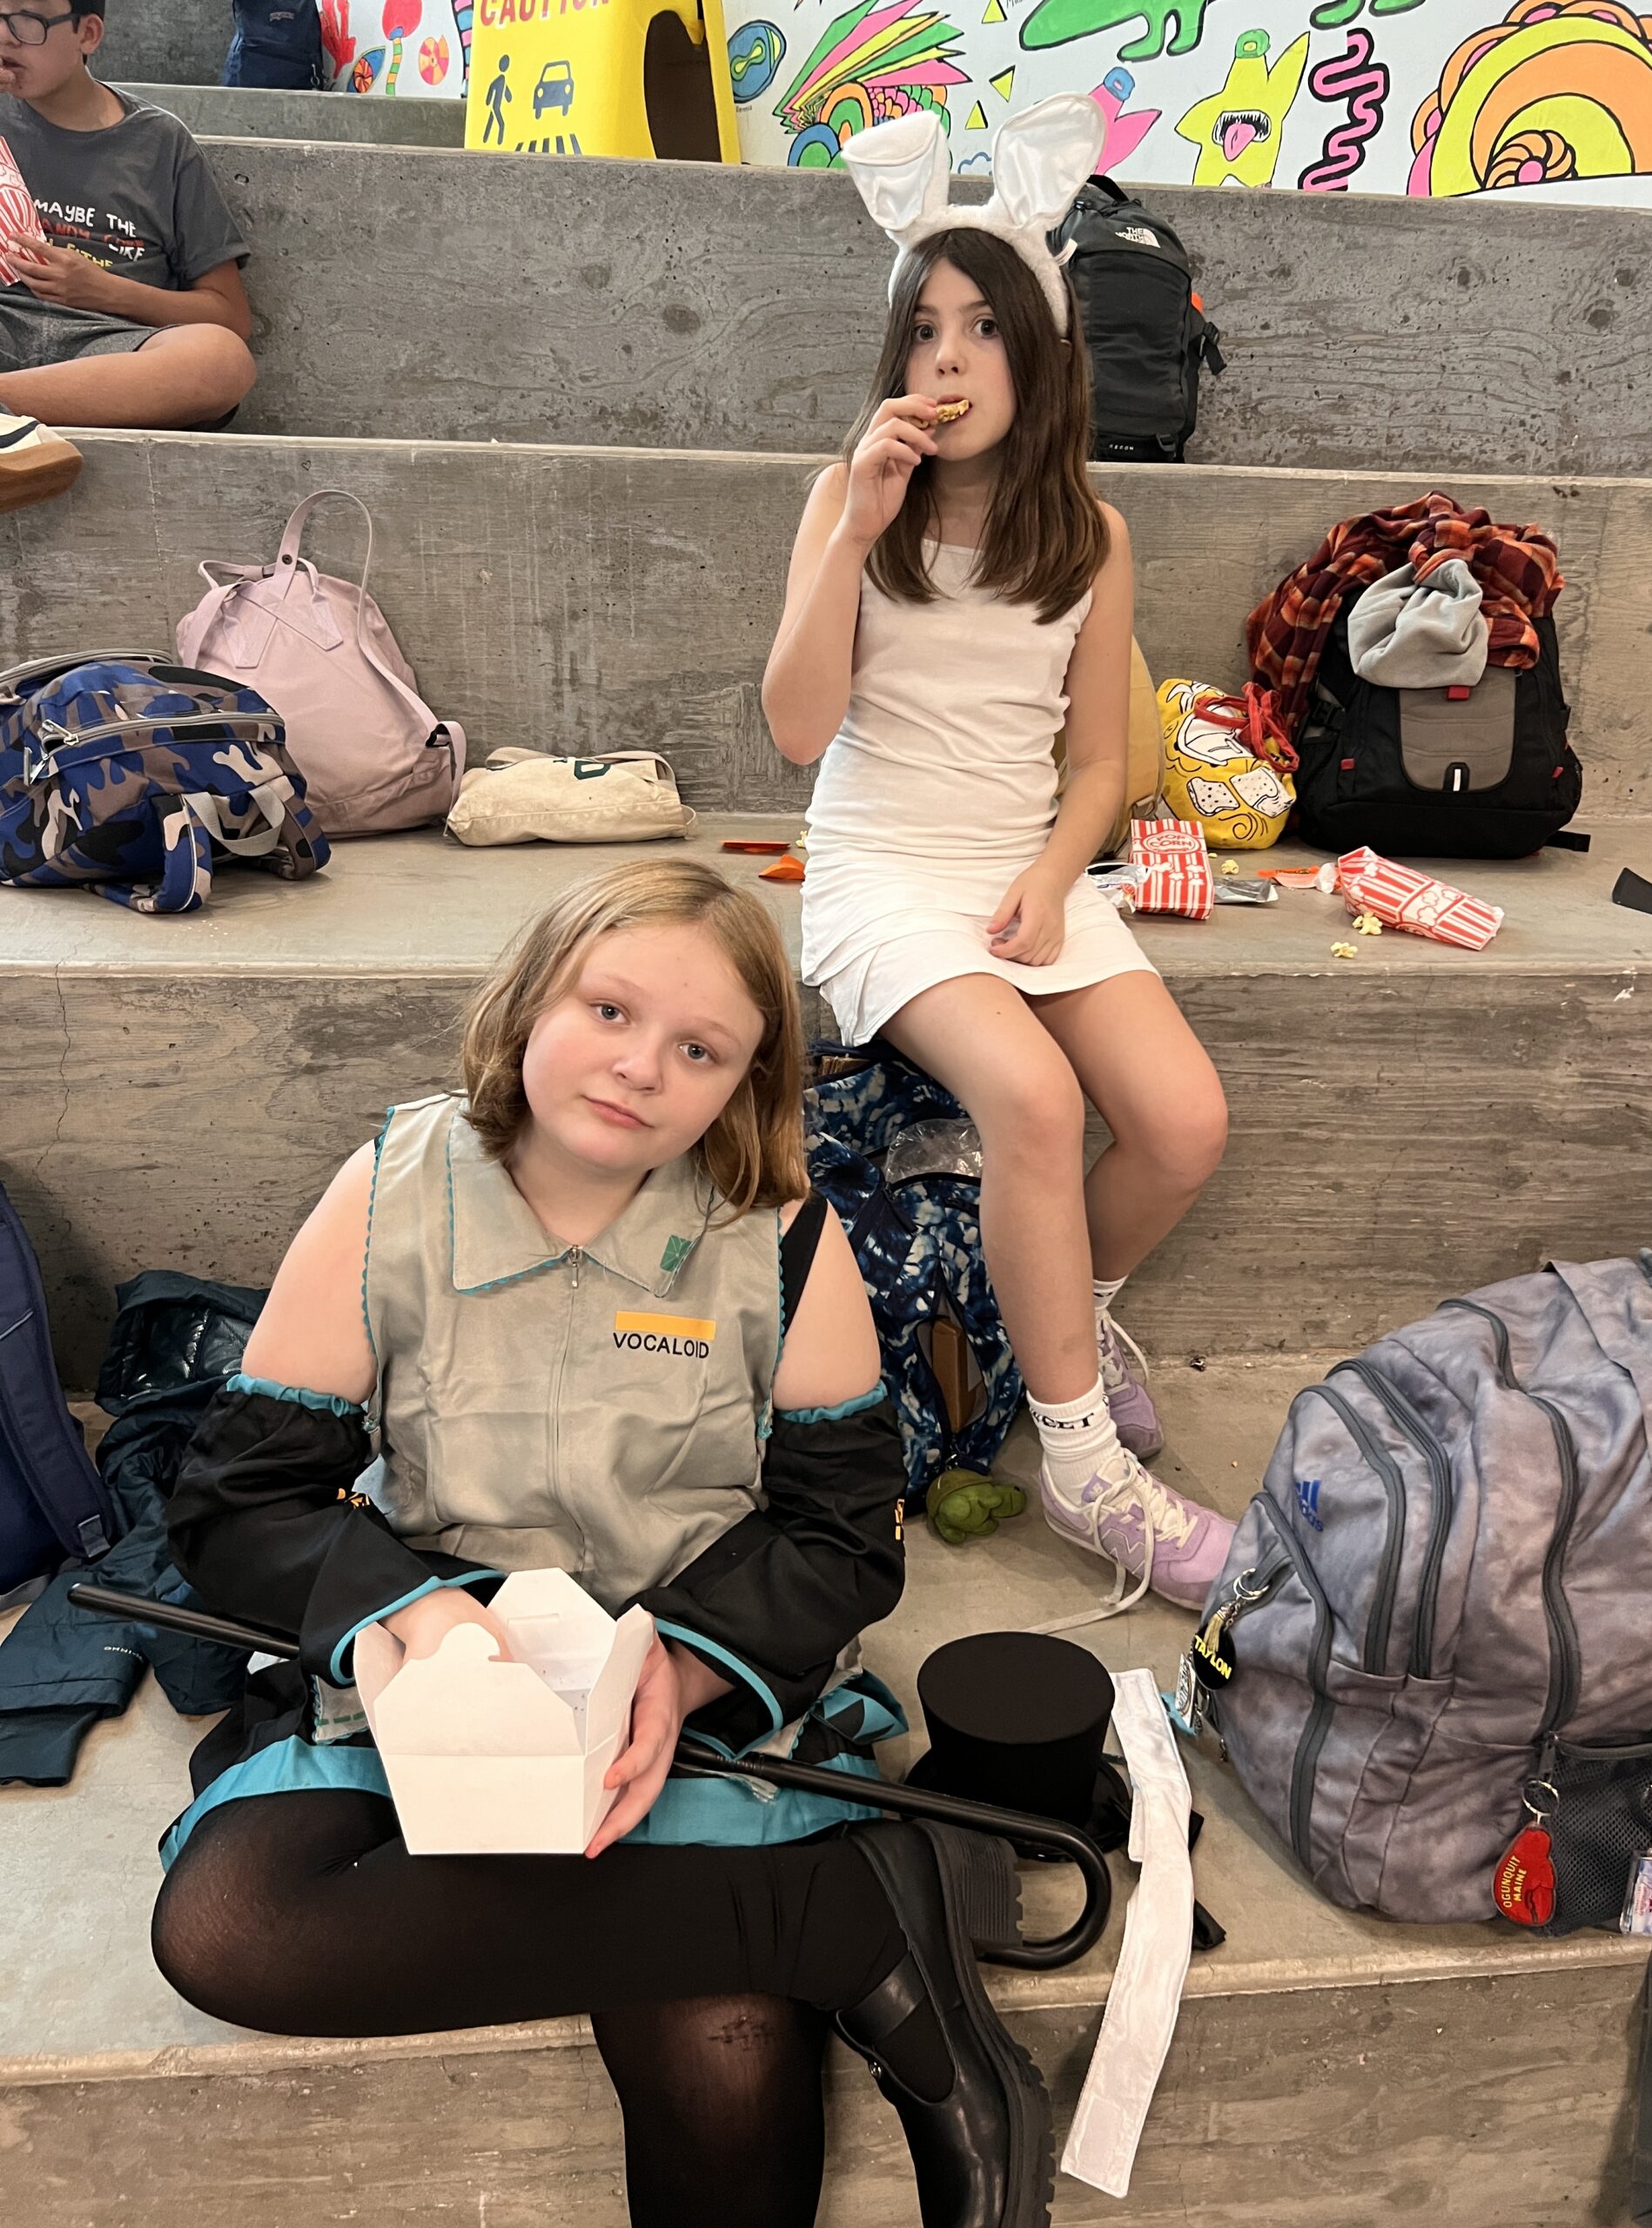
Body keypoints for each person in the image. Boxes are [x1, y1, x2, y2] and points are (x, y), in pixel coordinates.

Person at [150, 859, 1056, 2228]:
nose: (643, 1069)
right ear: (528, 1002)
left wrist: (683, 1670)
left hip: (696, 1698)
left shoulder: (786, 1237)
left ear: (747, 1085)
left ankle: (796, 1910)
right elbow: (237, 1503)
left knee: (726, 2050)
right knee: (233, 1934)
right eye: (612, 1010)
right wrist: (415, 1611)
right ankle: (841, 1916)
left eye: (701, 1050)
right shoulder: (393, 1188)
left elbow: (839, 1538)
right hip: (423, 1680)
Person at [762, 97, 1232, 1615]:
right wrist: (856, 527)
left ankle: (1066, 1328)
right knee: (1031, 1093)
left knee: (1181, 1123)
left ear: (1041, 354)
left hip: (1018, 868)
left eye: (982, 328)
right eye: (924, 330)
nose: (948, 360)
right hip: (883, 868)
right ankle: (1088, 1469)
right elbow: (794, 729)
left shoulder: (1088, 533)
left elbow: (1103, 761)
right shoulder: (850, 504)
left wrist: (1055, 867)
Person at [0, 0, 257, 438]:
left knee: (221, 360)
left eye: (28, 21)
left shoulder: (160, 142)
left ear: (88, 34)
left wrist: (102, 290)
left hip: (108, 349)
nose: (5, 36)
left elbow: (230, 315)